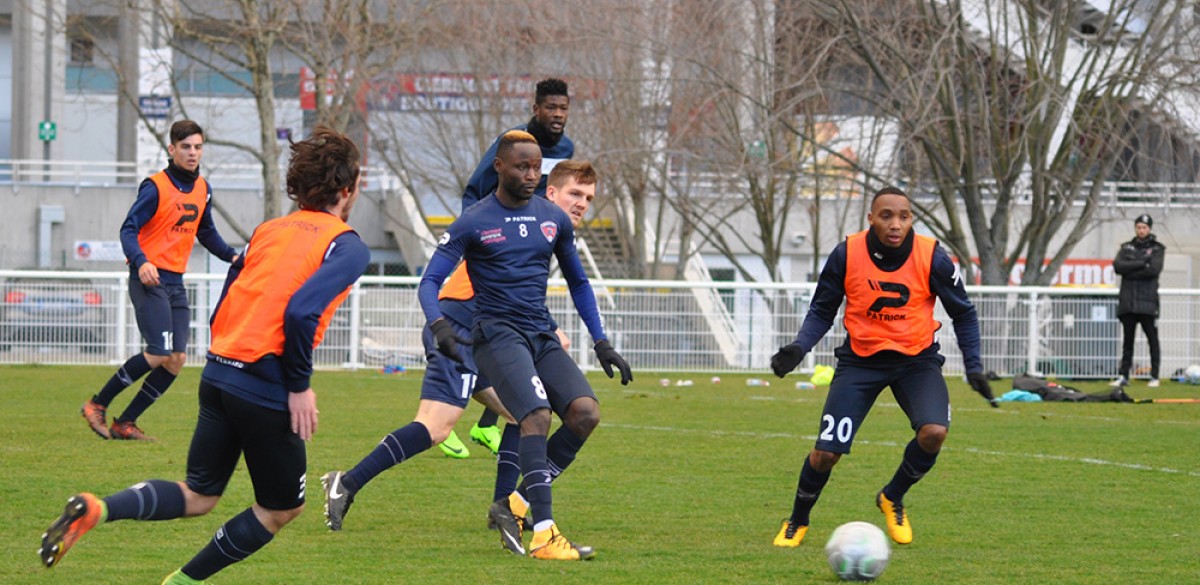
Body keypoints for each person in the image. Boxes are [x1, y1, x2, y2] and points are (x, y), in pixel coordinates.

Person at [38, 127, 371, 585]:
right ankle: (180, 583)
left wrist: (224, 355)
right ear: (348, 189)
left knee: (199, 493)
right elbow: (300, 313)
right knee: (281, 508)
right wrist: (298, 387)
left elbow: (229, 295)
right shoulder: (347, 244)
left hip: (218, 372)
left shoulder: (269, 230)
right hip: (265, 385)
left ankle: (99, 507)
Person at [319, 160, 600, 543]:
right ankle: (347, 482)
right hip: (461, 330)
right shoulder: (518, 222)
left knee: (524, 413)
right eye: (574, 194)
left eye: (588, 198)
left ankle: (505, 509)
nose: (581, 204)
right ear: (550, 193)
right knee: (436, 427)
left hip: (488, 337)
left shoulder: (545, 228)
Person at [421, 132, 630, 561]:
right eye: (522, 166)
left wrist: (601, 342)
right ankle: (544, 535)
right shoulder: (473, 221)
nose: (532, 175)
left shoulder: (553, 219)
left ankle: (512, 504)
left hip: (539, 333)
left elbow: (579, 282)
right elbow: (429, 282)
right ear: (499, 167)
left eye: (536, 167)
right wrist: (439, 324)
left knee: (585, 414)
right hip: (496, 335)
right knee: (536, 415)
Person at [768, 186, 996, 549]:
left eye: (904, 216)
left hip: (916, 361)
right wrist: (799, 347)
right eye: (886, 215)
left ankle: (892, 497)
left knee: (934, 432)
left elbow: (964, 313)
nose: (896, 224)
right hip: (860, 361)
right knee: (826, 453)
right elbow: (822, 310)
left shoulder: (933, 257)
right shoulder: (846, 254)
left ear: (911, 219)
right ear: (871, 218)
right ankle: (797, 520)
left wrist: (974, 367)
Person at [81, 120, 238, 441]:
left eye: (197, 147)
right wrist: (141, 262)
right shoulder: (155, 187)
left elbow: (206, 232)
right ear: (172, 149)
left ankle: (125, 422)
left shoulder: (203, 189)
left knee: (177, 359)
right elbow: (128, 229)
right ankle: (97, 404)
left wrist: (233, 257)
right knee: (158, 352)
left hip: (175, 282)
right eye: (186, 147)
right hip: (149, 279)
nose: (192, 153)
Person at [455, 77, 575, 456]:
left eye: (563, 108)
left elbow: (552, 195)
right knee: (500, 334)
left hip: (533, 249)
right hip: (496, 251)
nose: (557, 114)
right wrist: (474, 240)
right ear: (536, 108)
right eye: (551, 107)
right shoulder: (513, 143)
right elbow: (474, 190)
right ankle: (452, 396)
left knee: (527, 346)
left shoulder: (567, 149)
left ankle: (486, 423)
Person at [1110, 214, 1166, 388]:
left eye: (1144, 227)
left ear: (1149, 229)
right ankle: (1123, 375)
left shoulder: (1157, 249)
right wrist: (1142, 263)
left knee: (1152, 339)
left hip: (1148, 302)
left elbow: (1153, 270)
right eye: (1139, 227)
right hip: (1128, 302)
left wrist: (1130, 268)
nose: (1141, 231)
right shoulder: (1126, 247)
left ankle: (1154, 376)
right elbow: (1118, 266)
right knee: (1127, 341)